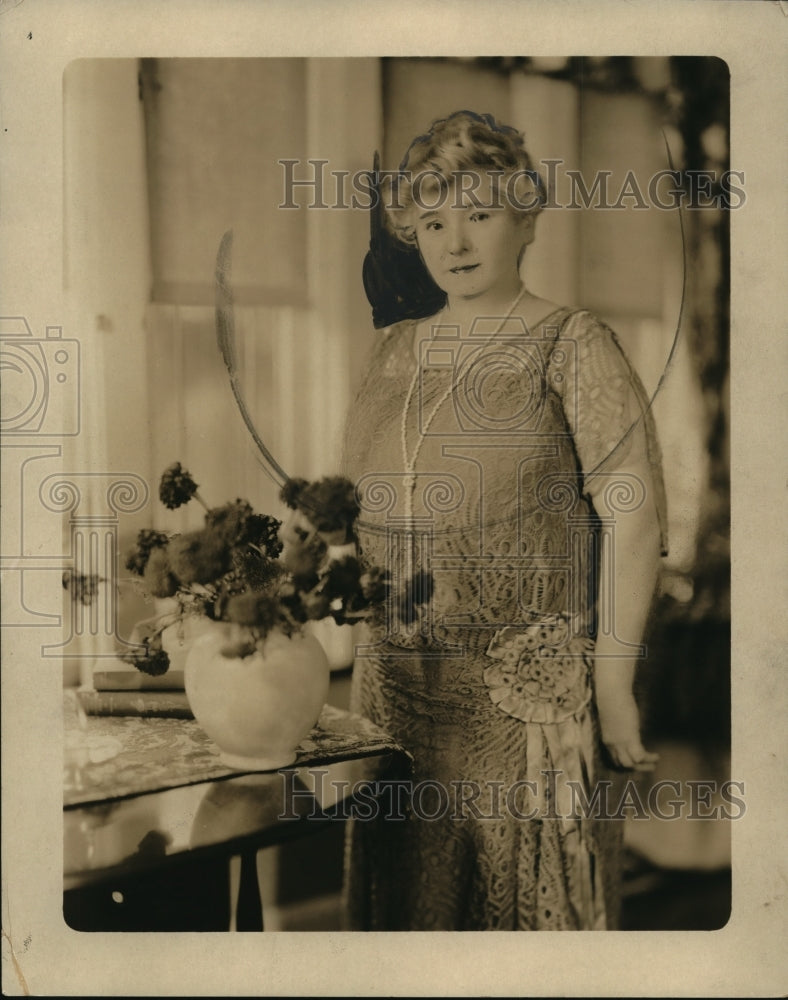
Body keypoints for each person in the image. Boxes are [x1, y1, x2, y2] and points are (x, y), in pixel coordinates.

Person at [340, 110, 668, 930]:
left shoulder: (573, 345)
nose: (454, 242)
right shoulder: (391, 352)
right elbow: (357, 512)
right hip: (395, 700)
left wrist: (614, 684)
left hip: (522, 711)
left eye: (479, 214)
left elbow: (633, 517)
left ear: (525, 220)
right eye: (432, 224)